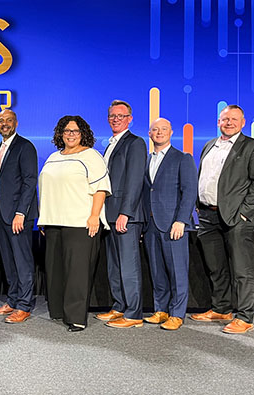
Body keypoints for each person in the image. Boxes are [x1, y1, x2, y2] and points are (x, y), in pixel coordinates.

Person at [191, 104, 254, 334]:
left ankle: (244, 317)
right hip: (207, 215)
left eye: (234, 119)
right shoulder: (209, 145)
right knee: (216, 267)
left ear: (243, 122)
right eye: (225, 119)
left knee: (241, 269)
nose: (229, 123)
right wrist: (199, 205)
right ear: (218, 122)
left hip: (237, 217)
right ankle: (221, 308)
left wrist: (245, 211)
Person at [37, 115, 110, 332]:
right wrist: (43, 218)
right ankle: (59, 311)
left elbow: (101, 188)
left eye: (75, 131)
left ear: (83, 134)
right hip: (52, 222)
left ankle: (77, 317)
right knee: (55, 269)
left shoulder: (91, 156)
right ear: (60, 134)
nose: (70, 134)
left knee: (77, 272)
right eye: (67, 131)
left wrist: (94, 216)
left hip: (80, 222)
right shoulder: (52, 157)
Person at [141, 118, 197, 331]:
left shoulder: (183, 158)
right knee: (157, 270)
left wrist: (181, 220)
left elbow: (190, 191)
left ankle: (177, 313)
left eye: (163, 129)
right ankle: (161, 310)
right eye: (155, 129)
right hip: (151, 224)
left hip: (173, 223)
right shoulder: (147, 160)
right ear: (149, 133)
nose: (159, 132)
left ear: (171, 132)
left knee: (177, 271)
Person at [95, 100, 147, 329]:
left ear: (130, 119)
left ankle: (134, 313)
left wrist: (126, 212)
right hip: (109, 215)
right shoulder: (110, 144)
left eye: (121, 116)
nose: (116, 119)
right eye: (112, 116)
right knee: (114, 266)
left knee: (129, 266)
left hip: (126, 215)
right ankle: (119, 307)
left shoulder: (135, 143)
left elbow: (135, 181)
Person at [0, 109, 39, 324]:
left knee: (23, 261)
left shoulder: (25, 146)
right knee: (9, 261)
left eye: (8, 120)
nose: (4, 124)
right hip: (1, 213)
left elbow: (29, 182)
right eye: (1, 121)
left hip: (19, 215)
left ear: (16, 123)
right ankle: (13, 299)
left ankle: (24, 306)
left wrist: (20, 213)